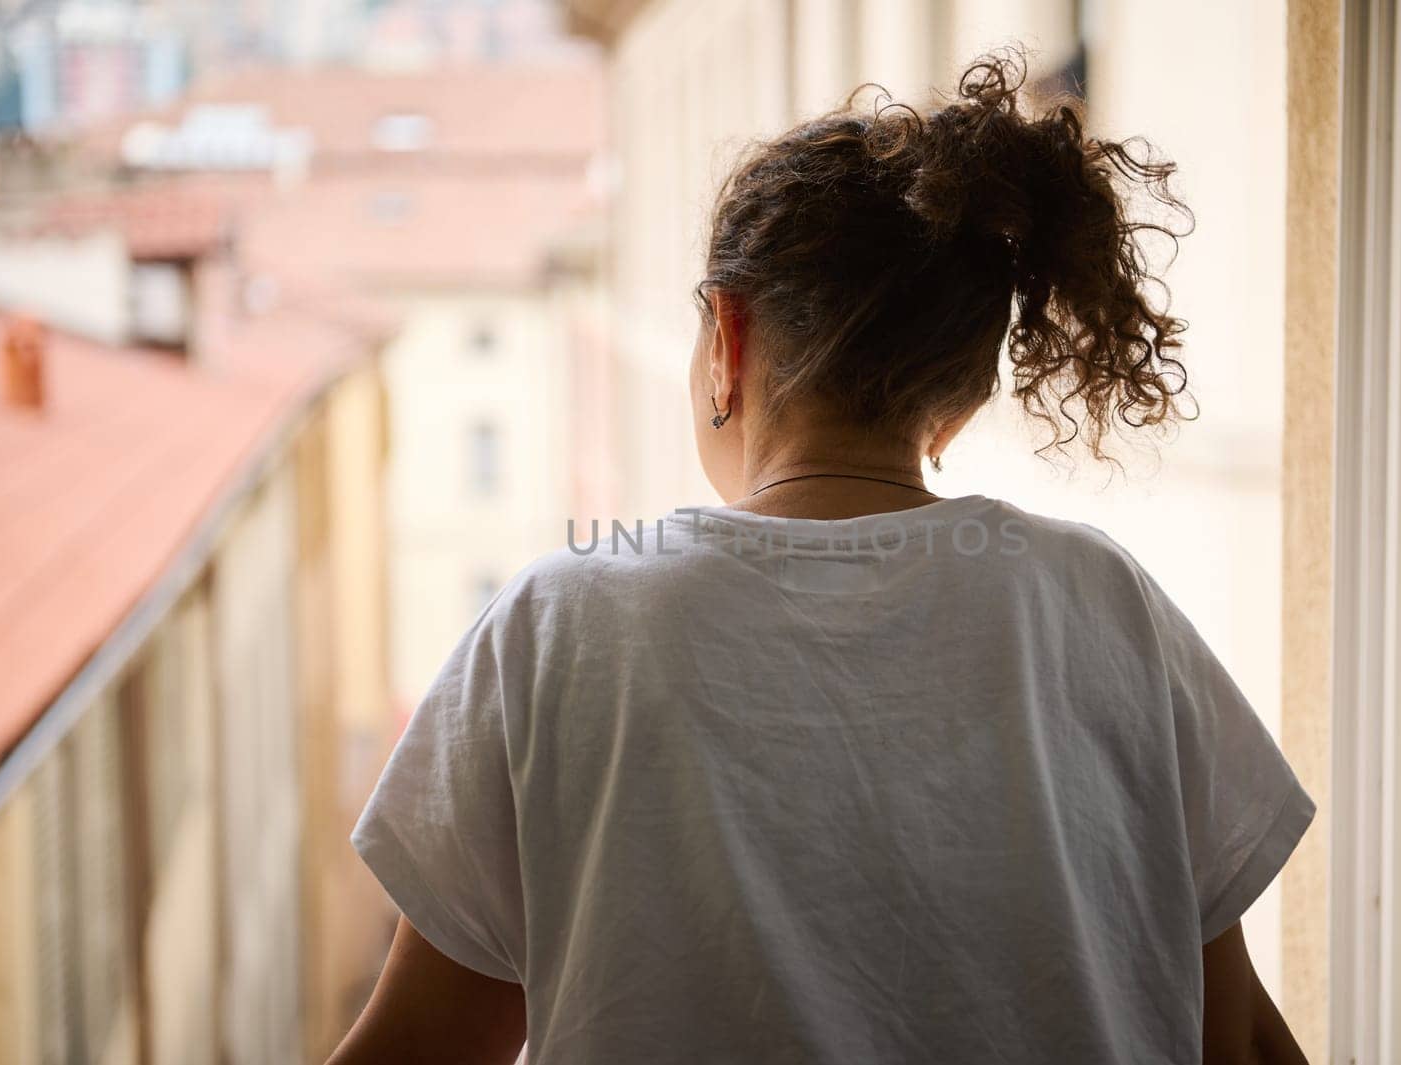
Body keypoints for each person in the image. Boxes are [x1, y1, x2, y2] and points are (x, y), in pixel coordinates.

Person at [327, 52, 1313, 1065]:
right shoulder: (1107, 607)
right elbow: (1232, 1037)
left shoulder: (560, 627)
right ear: (964, 398)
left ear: (727, 337)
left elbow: (418, 1047)